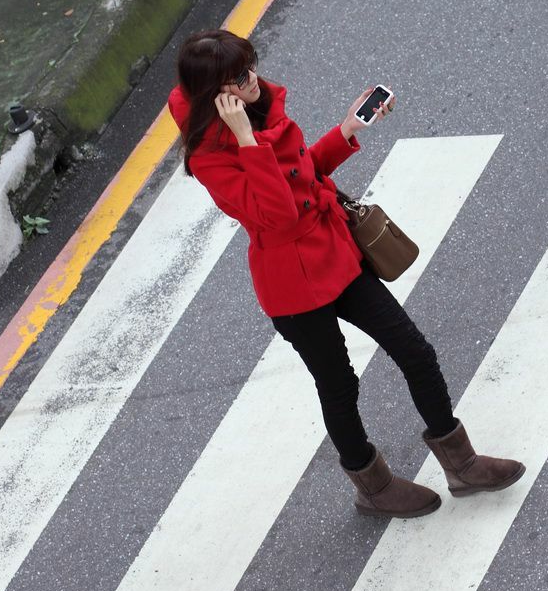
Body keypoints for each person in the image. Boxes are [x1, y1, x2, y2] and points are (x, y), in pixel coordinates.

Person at [168, 28, 524, 518]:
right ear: (216, 94)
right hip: (293, 288)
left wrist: (345, 132)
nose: (252, 78)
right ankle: (373, 489)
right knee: (339, 386)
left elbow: (304, 174)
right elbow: (278, 214)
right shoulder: (211, 155)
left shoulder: (261, 106)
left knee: (415, 352)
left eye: (250, 64)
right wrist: (248, 142)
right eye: (238, 77)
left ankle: (461, 464)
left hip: (337, 256)